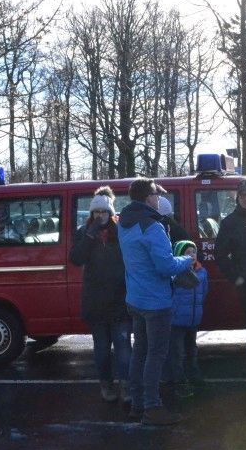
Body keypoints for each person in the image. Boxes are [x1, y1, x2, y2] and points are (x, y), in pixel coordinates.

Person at [118, 178, 194, 426]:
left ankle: (137, 404)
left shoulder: (125, 223)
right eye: (156, 195)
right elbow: (166, 266)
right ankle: (153, 407)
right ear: (149, 198)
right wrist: (187, 259)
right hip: (156, 301)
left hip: (135, 299)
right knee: (156, 354)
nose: (159, 198)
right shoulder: (152, 226)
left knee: (139, 352)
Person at [69, 186, 132, 404]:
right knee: (102, 349)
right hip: (95, 302)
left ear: (111, 213)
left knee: (124, 347)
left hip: (120, 299)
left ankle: (126, 386)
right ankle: (106, 385)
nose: (100, 216)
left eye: (104, 212)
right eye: (96, 212)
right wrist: (89, 236)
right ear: (91, 214)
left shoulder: (121, 231)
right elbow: (76, 258)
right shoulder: (84, 232)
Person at [214, 179, 246, 361]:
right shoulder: (230, 222)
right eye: (242, 195)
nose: (245, 199)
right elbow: (219, 254)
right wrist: (236, 277)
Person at [163, 240, 208, 398]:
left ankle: (193, 377)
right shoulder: (174, 274)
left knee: (191, 350)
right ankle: (178, 382)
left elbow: (204, 293)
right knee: (176, 352)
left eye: (193, 252)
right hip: (176, 321)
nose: (191, 255)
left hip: (193, 320)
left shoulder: (202, 272)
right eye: (187, 252)